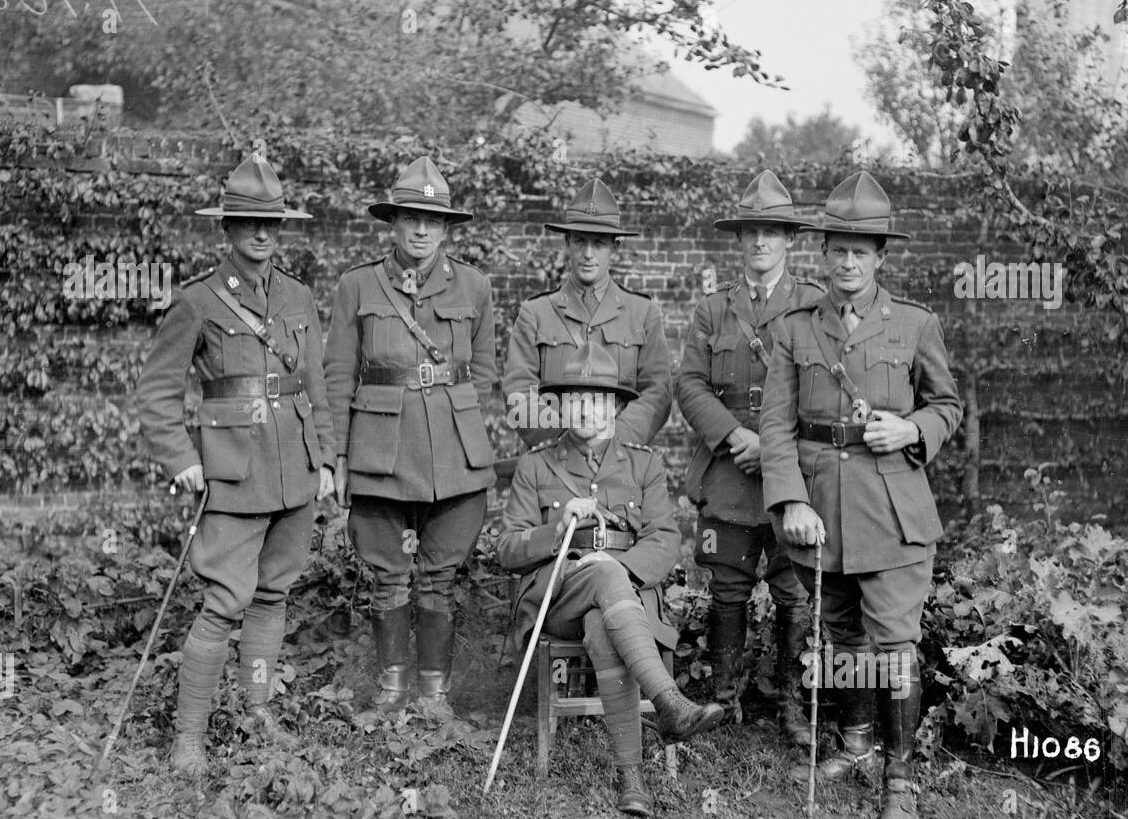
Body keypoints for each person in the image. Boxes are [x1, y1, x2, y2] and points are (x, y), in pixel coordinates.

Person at [759, 171, 962, 819]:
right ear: (822, 254)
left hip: (893, 510)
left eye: (861, 250)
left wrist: (912, 429)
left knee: (894, 644)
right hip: (821, 512)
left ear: (880, 256)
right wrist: (789, 499)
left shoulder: (914, 323)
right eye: (837, 250)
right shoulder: (793, 329)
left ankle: (899, 784)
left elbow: (949, 407)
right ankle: (854, 742)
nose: (848, 262)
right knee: (844, 636)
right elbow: (776, 425)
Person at [137, 153, 336, 774]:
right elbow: (157, 392)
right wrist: (181, 459)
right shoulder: (197, 301)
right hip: (231, 470)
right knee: (225, 599)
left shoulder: (300, 295)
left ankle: (256, 712)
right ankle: (188, 742)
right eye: (248, 222)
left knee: (273, 594)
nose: (261, 234)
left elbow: (316, 385)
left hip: (294, 469)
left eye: (271, 223)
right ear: (225, 228)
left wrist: (326, 458)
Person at [498, 342, 725, 816]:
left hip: (626, 602)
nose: (585, 409)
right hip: (557, 598)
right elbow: (507, 549)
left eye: (598, 398)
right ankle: (668, 700)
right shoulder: (535, 465)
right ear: (559, 406)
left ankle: (632, 780)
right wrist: (557, 531)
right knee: (601, 574)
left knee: (604, 622)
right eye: (574, 398)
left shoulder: (644, 463)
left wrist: (619, 570)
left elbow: (665, 538)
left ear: (617, 406)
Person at [324, 157, 496, 719]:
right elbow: (337, 376)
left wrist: (460, 417)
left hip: (454, 455)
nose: (421, 230)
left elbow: (485, 371)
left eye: (433, 220)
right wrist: (340, 457)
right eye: (410, 218)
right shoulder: (357, 285)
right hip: (380, 452)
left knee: (441, 577)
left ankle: (434, 696)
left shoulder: (475, 286)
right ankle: (393, 692)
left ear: (446, 229)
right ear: (392, 223)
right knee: (387, 576)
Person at [676, 170, 824, 737]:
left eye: (773, 232)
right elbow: (689, 384)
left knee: (792, 589)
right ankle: (722, 699)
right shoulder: (714, 310)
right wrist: (733, 437)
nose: (761, 242)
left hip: (786, 473)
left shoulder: (812, 305)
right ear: (738, 241)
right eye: (751, 232)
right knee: (728, 588)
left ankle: (789, 704)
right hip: (730, 471)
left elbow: (819, 391)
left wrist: (774, 446)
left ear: (790, 240)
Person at [503, 178, 671, 449]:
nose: (588, 253)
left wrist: (614, 443)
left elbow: (658, 392)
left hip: (621, 463)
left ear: (615, 249)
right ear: (567, 243)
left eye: (599, 243)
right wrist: (562, 443)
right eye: (580, 241)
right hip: (553, 463)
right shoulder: (536, 313)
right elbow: (518, 392)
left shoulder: (642, 313)